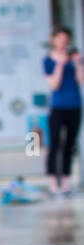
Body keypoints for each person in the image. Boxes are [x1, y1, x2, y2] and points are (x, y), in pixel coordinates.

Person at [44, 26, 83, 198]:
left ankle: (66, 183)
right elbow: (54, 84)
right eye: (59, 38)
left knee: (69, 144)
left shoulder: (75, 59)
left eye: (65, 39)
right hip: (57, 106)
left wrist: (78, 63)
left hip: (75, 106)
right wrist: (60, 64)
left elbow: (81, 81)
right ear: (54, 40)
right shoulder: (48, 60)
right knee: (54, 144)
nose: (63, 42)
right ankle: (53, 182)